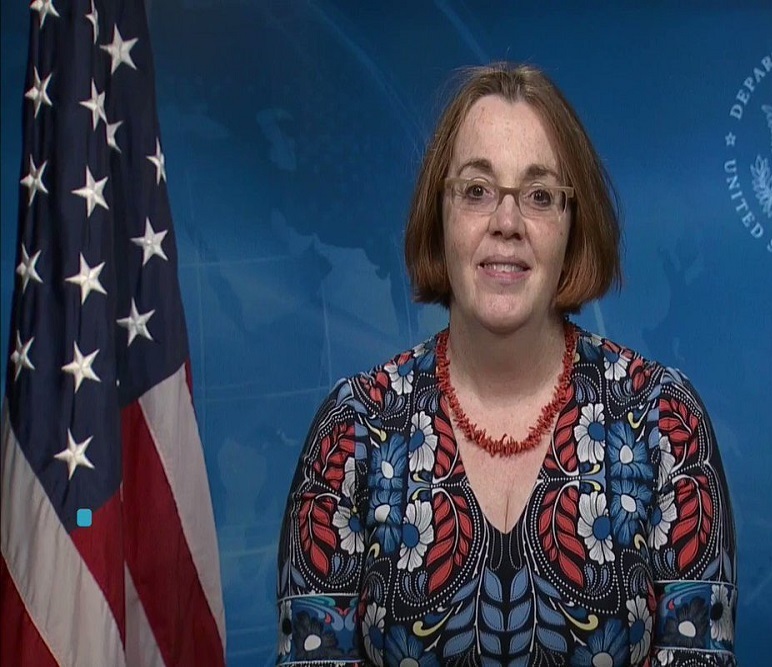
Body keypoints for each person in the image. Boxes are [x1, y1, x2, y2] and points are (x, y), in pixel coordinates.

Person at [276, 62, 738, 666]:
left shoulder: (664, 422)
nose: (506, 223)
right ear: (439, 216)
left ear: (573, 227)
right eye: (477, 190)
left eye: (540, 196)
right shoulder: (353, 429)